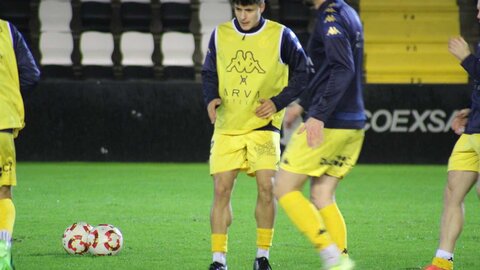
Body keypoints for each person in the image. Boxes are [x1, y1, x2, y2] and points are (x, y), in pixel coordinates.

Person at [201, 0, 309, 269]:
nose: (243, 16)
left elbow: (305, 71)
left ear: (261, 6)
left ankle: (262, 256)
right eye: (238, 9)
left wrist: (278, 101)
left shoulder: (282, 35)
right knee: (221, 190)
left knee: (266, 188)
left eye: (248, 10)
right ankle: (218, 260)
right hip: (227, 127)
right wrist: (211, 98)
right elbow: (209, 72)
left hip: (263, 126)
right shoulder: (220, 34)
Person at [273, 0, 365, 269]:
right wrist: (302, 104)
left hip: (331, 122)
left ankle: (330, 255)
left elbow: (343, 68)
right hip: (353, 123)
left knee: (283, 188)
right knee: (323, 194)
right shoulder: (348, 12)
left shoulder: (330, 17)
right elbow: (327, 69)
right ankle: (342, 260)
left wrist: (318, 115)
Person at [424, 2, 480, 268]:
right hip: (473, 130)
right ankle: (442, 261)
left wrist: (467, 58)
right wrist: (471, 110)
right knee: (452, 191)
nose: (478, 13)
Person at [0, 19, 41, 269]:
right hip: (1, 122)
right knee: (3, 193)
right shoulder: (7, 30)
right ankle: (2, 254)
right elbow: (31, 75)